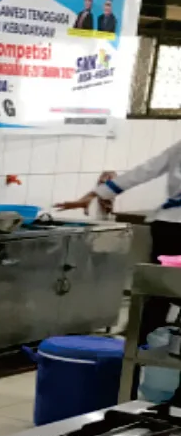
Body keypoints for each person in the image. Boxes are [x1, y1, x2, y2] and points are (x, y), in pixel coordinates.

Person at [58, 138, 181, 335]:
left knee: (160, 289)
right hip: (171, 226)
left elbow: (144, 171)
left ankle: (141, 342)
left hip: (167, 225)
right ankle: (147, 343)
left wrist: (95, 194)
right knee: (163, 289)